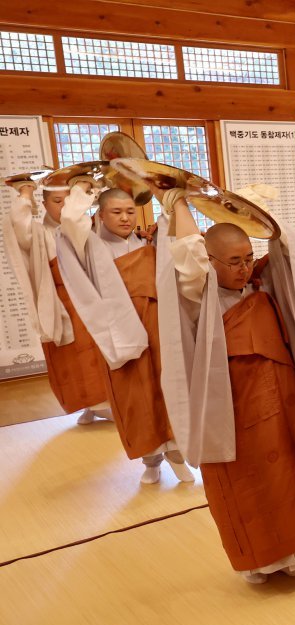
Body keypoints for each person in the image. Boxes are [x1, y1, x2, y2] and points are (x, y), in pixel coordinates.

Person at [155, 188, 295, 583]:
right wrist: (177, 206)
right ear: (211, 262)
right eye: (233, 262)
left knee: (291, 477)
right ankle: (261, 560)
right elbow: (189, 267)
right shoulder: (197, 296)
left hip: (282, 395)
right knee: (249, 484)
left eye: (247, 258)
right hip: (232, 404)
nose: (245, 268)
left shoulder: (262, 285)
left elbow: (288, 254)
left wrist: (256, 211)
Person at [55, 186, 193, 485]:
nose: (125, 218)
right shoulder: (92, 248)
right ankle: (151, 459)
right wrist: (81, 189)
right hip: (122, 331)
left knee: (168, 388)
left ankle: (178, 452)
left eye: (130, 211)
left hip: (158, 326)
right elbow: (70, 223)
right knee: (135, 398)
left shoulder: (148, 242)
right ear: (100, 215)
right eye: (116, 212)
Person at [2, 180, 109, 424]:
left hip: (89, 298)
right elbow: (19, 226)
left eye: (67, 201)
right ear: (44, 204)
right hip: (60, 301)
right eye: (56, 201)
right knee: (71, 360)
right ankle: (89, 406)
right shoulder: (39, 232)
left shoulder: (83, 226)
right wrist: (25, 193)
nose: (62, 208)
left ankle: (105, 403)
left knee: (96, 355)